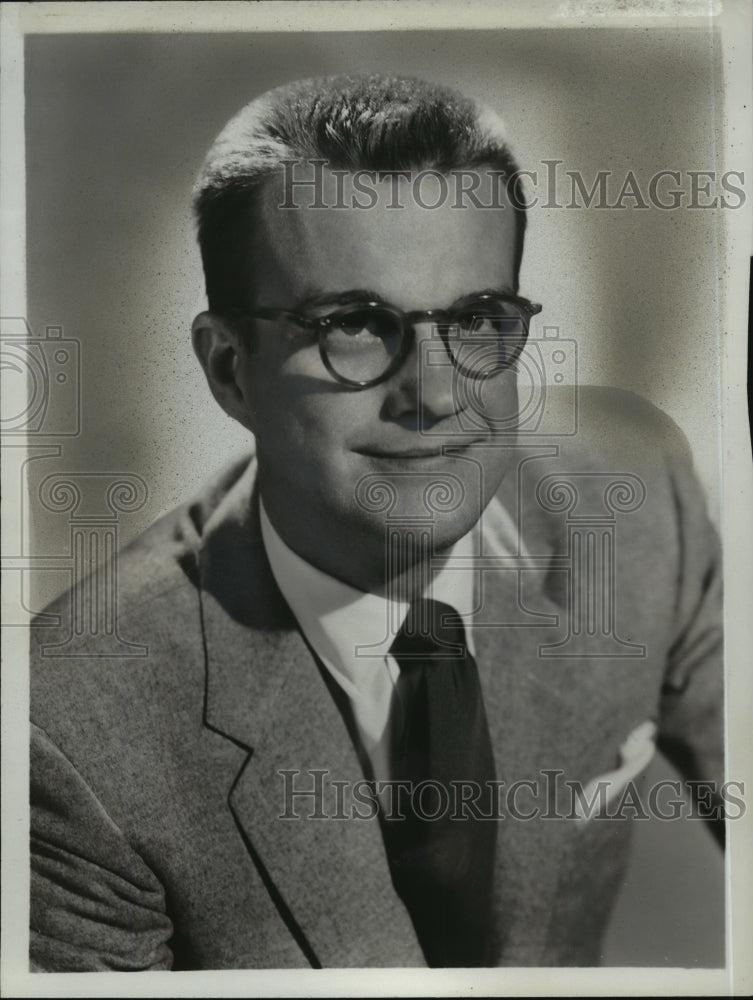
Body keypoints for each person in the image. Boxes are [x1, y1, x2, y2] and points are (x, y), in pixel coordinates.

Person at [30, 73, 724, 971]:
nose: (433, 393)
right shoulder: (67, 731)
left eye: (477, 317)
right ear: (230, 369)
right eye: (355, 323)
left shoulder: (633, 498)